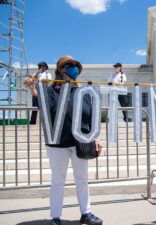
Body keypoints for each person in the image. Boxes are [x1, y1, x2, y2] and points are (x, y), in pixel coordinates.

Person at [24, 55, 103, 225]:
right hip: (58, 142)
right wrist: (32, 90)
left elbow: (90, 117)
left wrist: (95, 137)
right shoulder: (51, 91)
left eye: (75, 66)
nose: (73, 68)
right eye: (69, 65)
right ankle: (55, 217)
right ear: (60, 70)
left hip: (80, 143)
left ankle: (86, 213)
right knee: (58, 180)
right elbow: (44, 104)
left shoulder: (83, 92)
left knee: (82, 179)